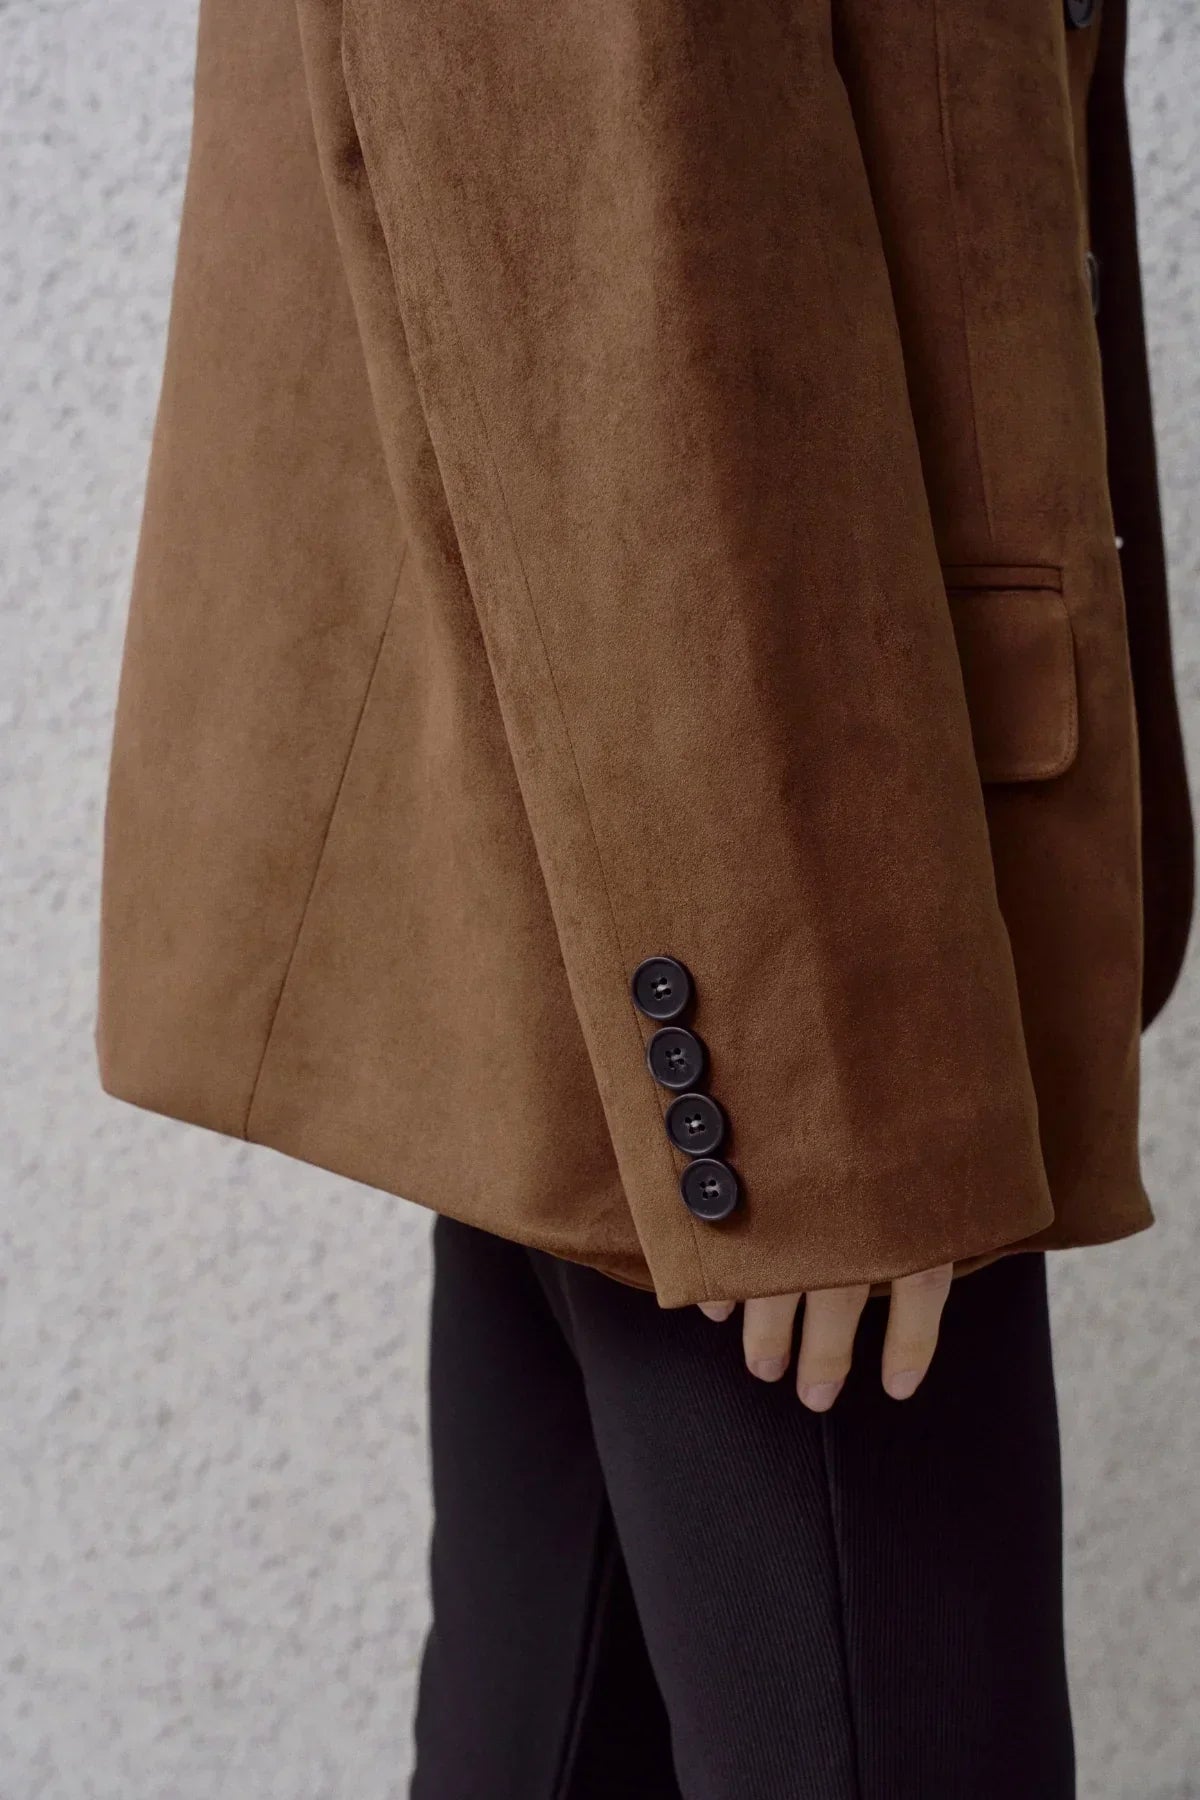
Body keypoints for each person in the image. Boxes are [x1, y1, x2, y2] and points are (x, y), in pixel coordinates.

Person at [97, 0, 1192, 1793]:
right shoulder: (810, 995)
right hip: (798, 868)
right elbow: (598, 186)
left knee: (551, 1729)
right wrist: (813, 1065)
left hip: (659, 830)